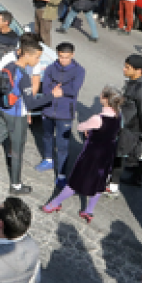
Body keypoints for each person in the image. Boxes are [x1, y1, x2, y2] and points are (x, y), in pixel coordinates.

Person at [0, 38, 62, 194]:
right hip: (17, 116)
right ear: (26, 55)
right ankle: (16, 186)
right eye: (37, 57)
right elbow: (31, 104)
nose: (37, 60)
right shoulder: (24, 76)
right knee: (17, 151)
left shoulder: (8, 66)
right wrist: (52, 95)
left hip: (3, 110)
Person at [42, 86, 123, 222]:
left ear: (106, 99)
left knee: (75, 181)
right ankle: (89, 211)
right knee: (99, 183)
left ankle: (53, 204)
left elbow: (81, 127)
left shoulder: (98, 118)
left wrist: (88, 130)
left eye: (101, 95)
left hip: (92, 154)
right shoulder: (118, 116)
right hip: (107, 153)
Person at [36, 43, 86, 187]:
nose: (63, 60)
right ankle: (48, 160)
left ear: (72, 55)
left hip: (65, 112)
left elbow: (74, 89)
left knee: (63, 144)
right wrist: (55, 91)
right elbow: (45, 87)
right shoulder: (51, 68)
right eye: (61, 57)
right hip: (48, 109)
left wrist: (58, 89)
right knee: (46, 136)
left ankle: (62, 174)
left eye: (66, 57)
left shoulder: (79, 70)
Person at [107, 54, 142, 194]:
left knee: (119, 155)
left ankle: (113, 185)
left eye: (127, 67)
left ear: (138, 70)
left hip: (130, 130)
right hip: (123, 126)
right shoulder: (135, 82)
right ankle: (111, 182)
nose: (124, 69)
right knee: (116, 154)